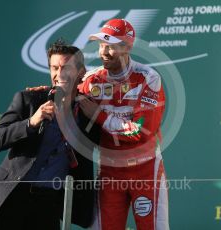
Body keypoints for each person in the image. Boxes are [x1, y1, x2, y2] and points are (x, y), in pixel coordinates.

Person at [0, 39, 99, 230]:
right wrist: (31, 122)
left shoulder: (87, 112)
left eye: (66, 68)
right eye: (54, 68)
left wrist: (97, 118)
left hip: (48, 206)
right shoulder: (29, 100)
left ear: (81, 71)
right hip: (8, 201)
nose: (59, 75)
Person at [78, 19, 169, 230]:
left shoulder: (148, 78)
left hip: (145, 169)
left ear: (127, 47)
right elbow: (66, 100)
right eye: (101, 45)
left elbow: (141, 131)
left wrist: (99, 115)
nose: (104, 52)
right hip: (109, 171)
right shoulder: (92, 80)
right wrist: (42, 95)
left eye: (111, 46)